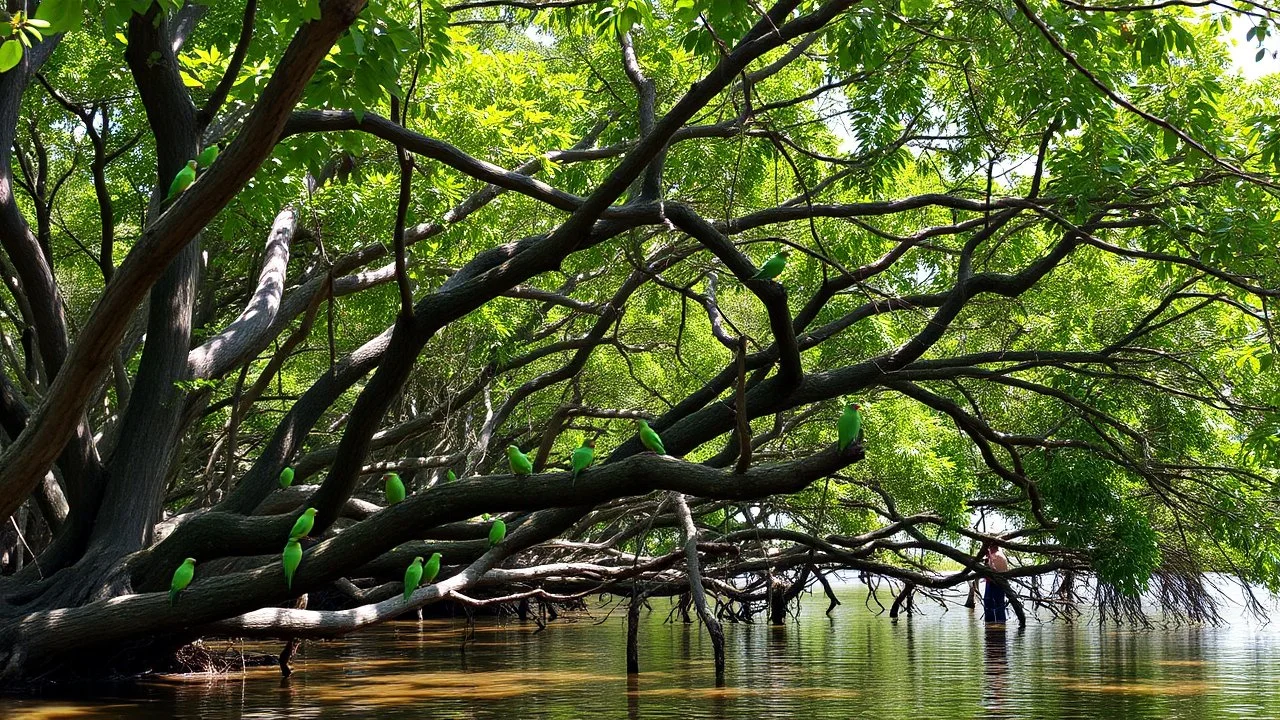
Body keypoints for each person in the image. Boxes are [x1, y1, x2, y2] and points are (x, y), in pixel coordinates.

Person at [982, 542, 1009, 623]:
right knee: (998, 604)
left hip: (994, 583)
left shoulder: (996, 556)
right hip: (996, 582)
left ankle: (992, 625)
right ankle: (999, 625)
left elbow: (993, 569)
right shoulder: (999, 555)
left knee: (992, 604)